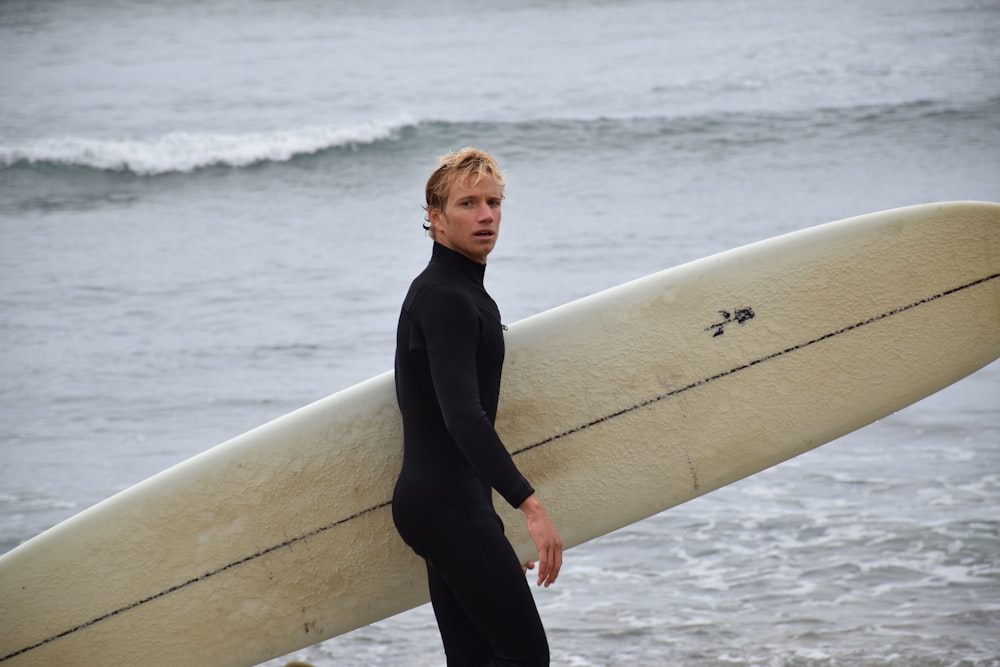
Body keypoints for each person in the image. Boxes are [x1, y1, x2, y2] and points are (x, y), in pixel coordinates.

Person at [391, 147, 563, 666]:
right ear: (436, 220)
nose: (486, 215)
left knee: (475, 658)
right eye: (468, 203)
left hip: (443, 501)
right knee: (525, 655)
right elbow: (462, 416)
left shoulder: (454, 290)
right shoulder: (447, 298)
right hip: (448, 504)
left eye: (494, 201)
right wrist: (529, 506)